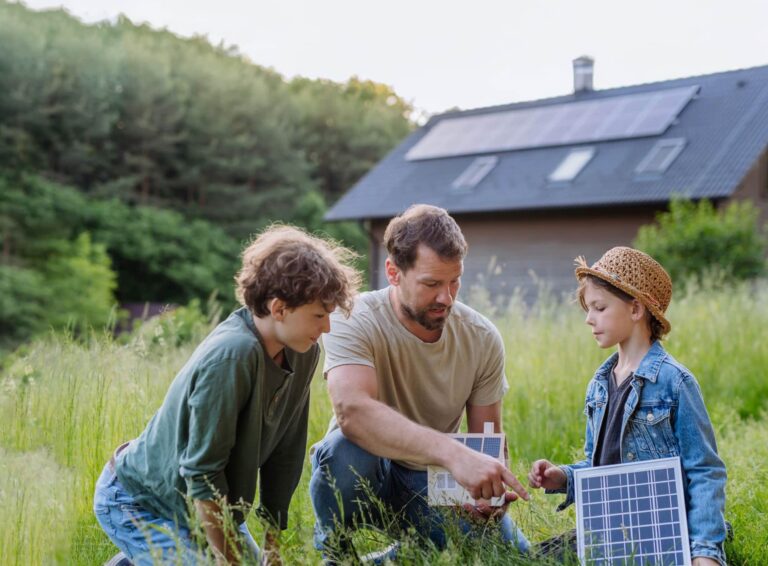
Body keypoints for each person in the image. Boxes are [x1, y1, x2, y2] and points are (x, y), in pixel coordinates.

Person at [93, 225, 360, 565]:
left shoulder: (304, 352)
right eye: (319, 315)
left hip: (209, 508)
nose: (327, 328)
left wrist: (273, 543)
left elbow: (286, 452)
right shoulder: (232, 356)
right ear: (279, 309)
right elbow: (203, 472)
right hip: (140, 502)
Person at [309, 204, 530, 562]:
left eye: (454, 281)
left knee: (510, 555)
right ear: (393, 273)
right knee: (347, 450)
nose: (446, 297)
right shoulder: (351, 316)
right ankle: (335, 553)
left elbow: (486, 441)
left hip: (433, 479)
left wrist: (487, 495)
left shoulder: (482, 337)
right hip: (368, 468)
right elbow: (353, 413)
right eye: (431, 284)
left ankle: (392, 558)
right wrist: (455, 454)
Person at [528, 246, 727, 566]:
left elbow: (705, 471)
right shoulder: (598, 386)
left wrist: (705, 554)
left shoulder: (675, 383)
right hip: (610, 531)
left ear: (636, 309)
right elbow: (602, 471)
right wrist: (562, 477)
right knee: (527, 557)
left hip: (664, 534)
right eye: (587, 309)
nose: (589, 319)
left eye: (599, 307)